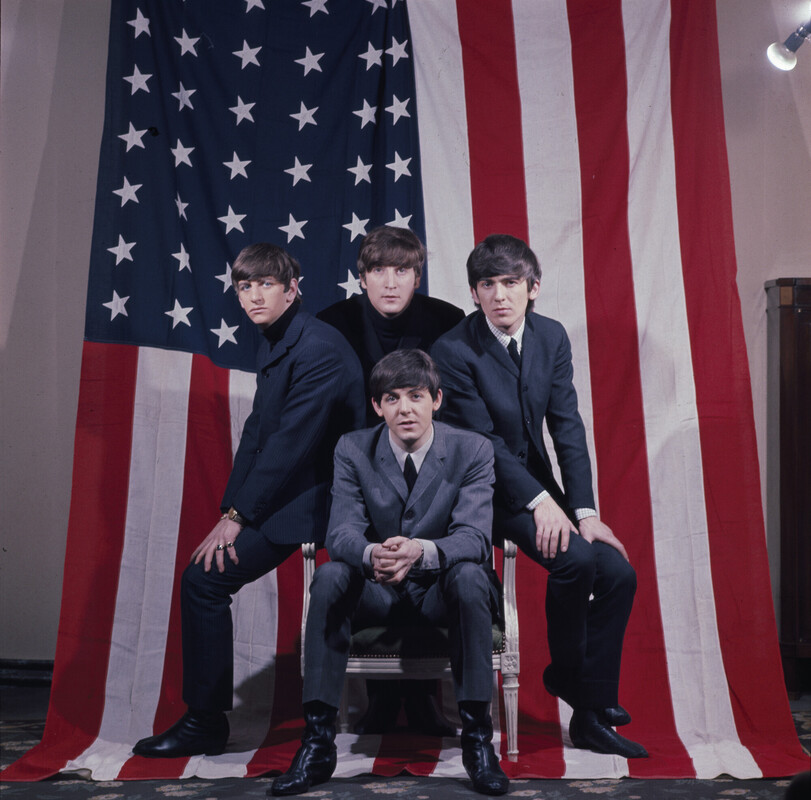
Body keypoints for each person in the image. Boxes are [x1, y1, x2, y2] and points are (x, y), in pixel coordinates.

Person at [133, 243, 365, 759]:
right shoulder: (279, 338)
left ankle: (204, 722)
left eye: (266, 284)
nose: (255, 296)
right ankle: (205, 719)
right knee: (201, 580)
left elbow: (290, 447)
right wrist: (229, 510)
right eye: (245, 286)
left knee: (203, 582)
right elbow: (259, 432)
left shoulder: (317, 349)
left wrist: (240, 517)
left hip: (322, 498)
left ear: (292, 289)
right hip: (293, 486)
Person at [431, 234, 647, 759]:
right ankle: (577, 685)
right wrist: (538, 502)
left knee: (618, 573)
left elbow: (566, 426)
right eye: (487, 284)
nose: (499, 295)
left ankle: (584, 702)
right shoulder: (452, 350)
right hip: (480, 493)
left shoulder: (550, 336)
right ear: (474, 293)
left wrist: (584, 511)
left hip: (537, 486)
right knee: (575, 562)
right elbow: (484, 443)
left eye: (511, 283)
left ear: (534, 287)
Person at [271, 350, 509, 797]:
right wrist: (375, 553)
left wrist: (419, 551)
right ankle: (317, 745)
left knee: (471, 576)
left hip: (440, 592)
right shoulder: (352, 448)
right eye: (392, 398)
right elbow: (341, 531)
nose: (405, 409)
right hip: (377, 589)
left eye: (416, 396)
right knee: (329, 577)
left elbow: (475, 537)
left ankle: (478, 744)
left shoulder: (472, 449)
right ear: (377, 406)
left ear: (436, 399)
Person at [317, 225, 465, 736]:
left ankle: (423, 701)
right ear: (361, 278)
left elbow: (452, 409)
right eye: (378, 270)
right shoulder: (332, 324)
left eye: (402, 270)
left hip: (428, 470)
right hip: (356, 469)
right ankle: (380, 702)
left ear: (417, 277)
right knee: (371, 571)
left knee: (422, 571)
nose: (390, 281)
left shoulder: (447, 321)